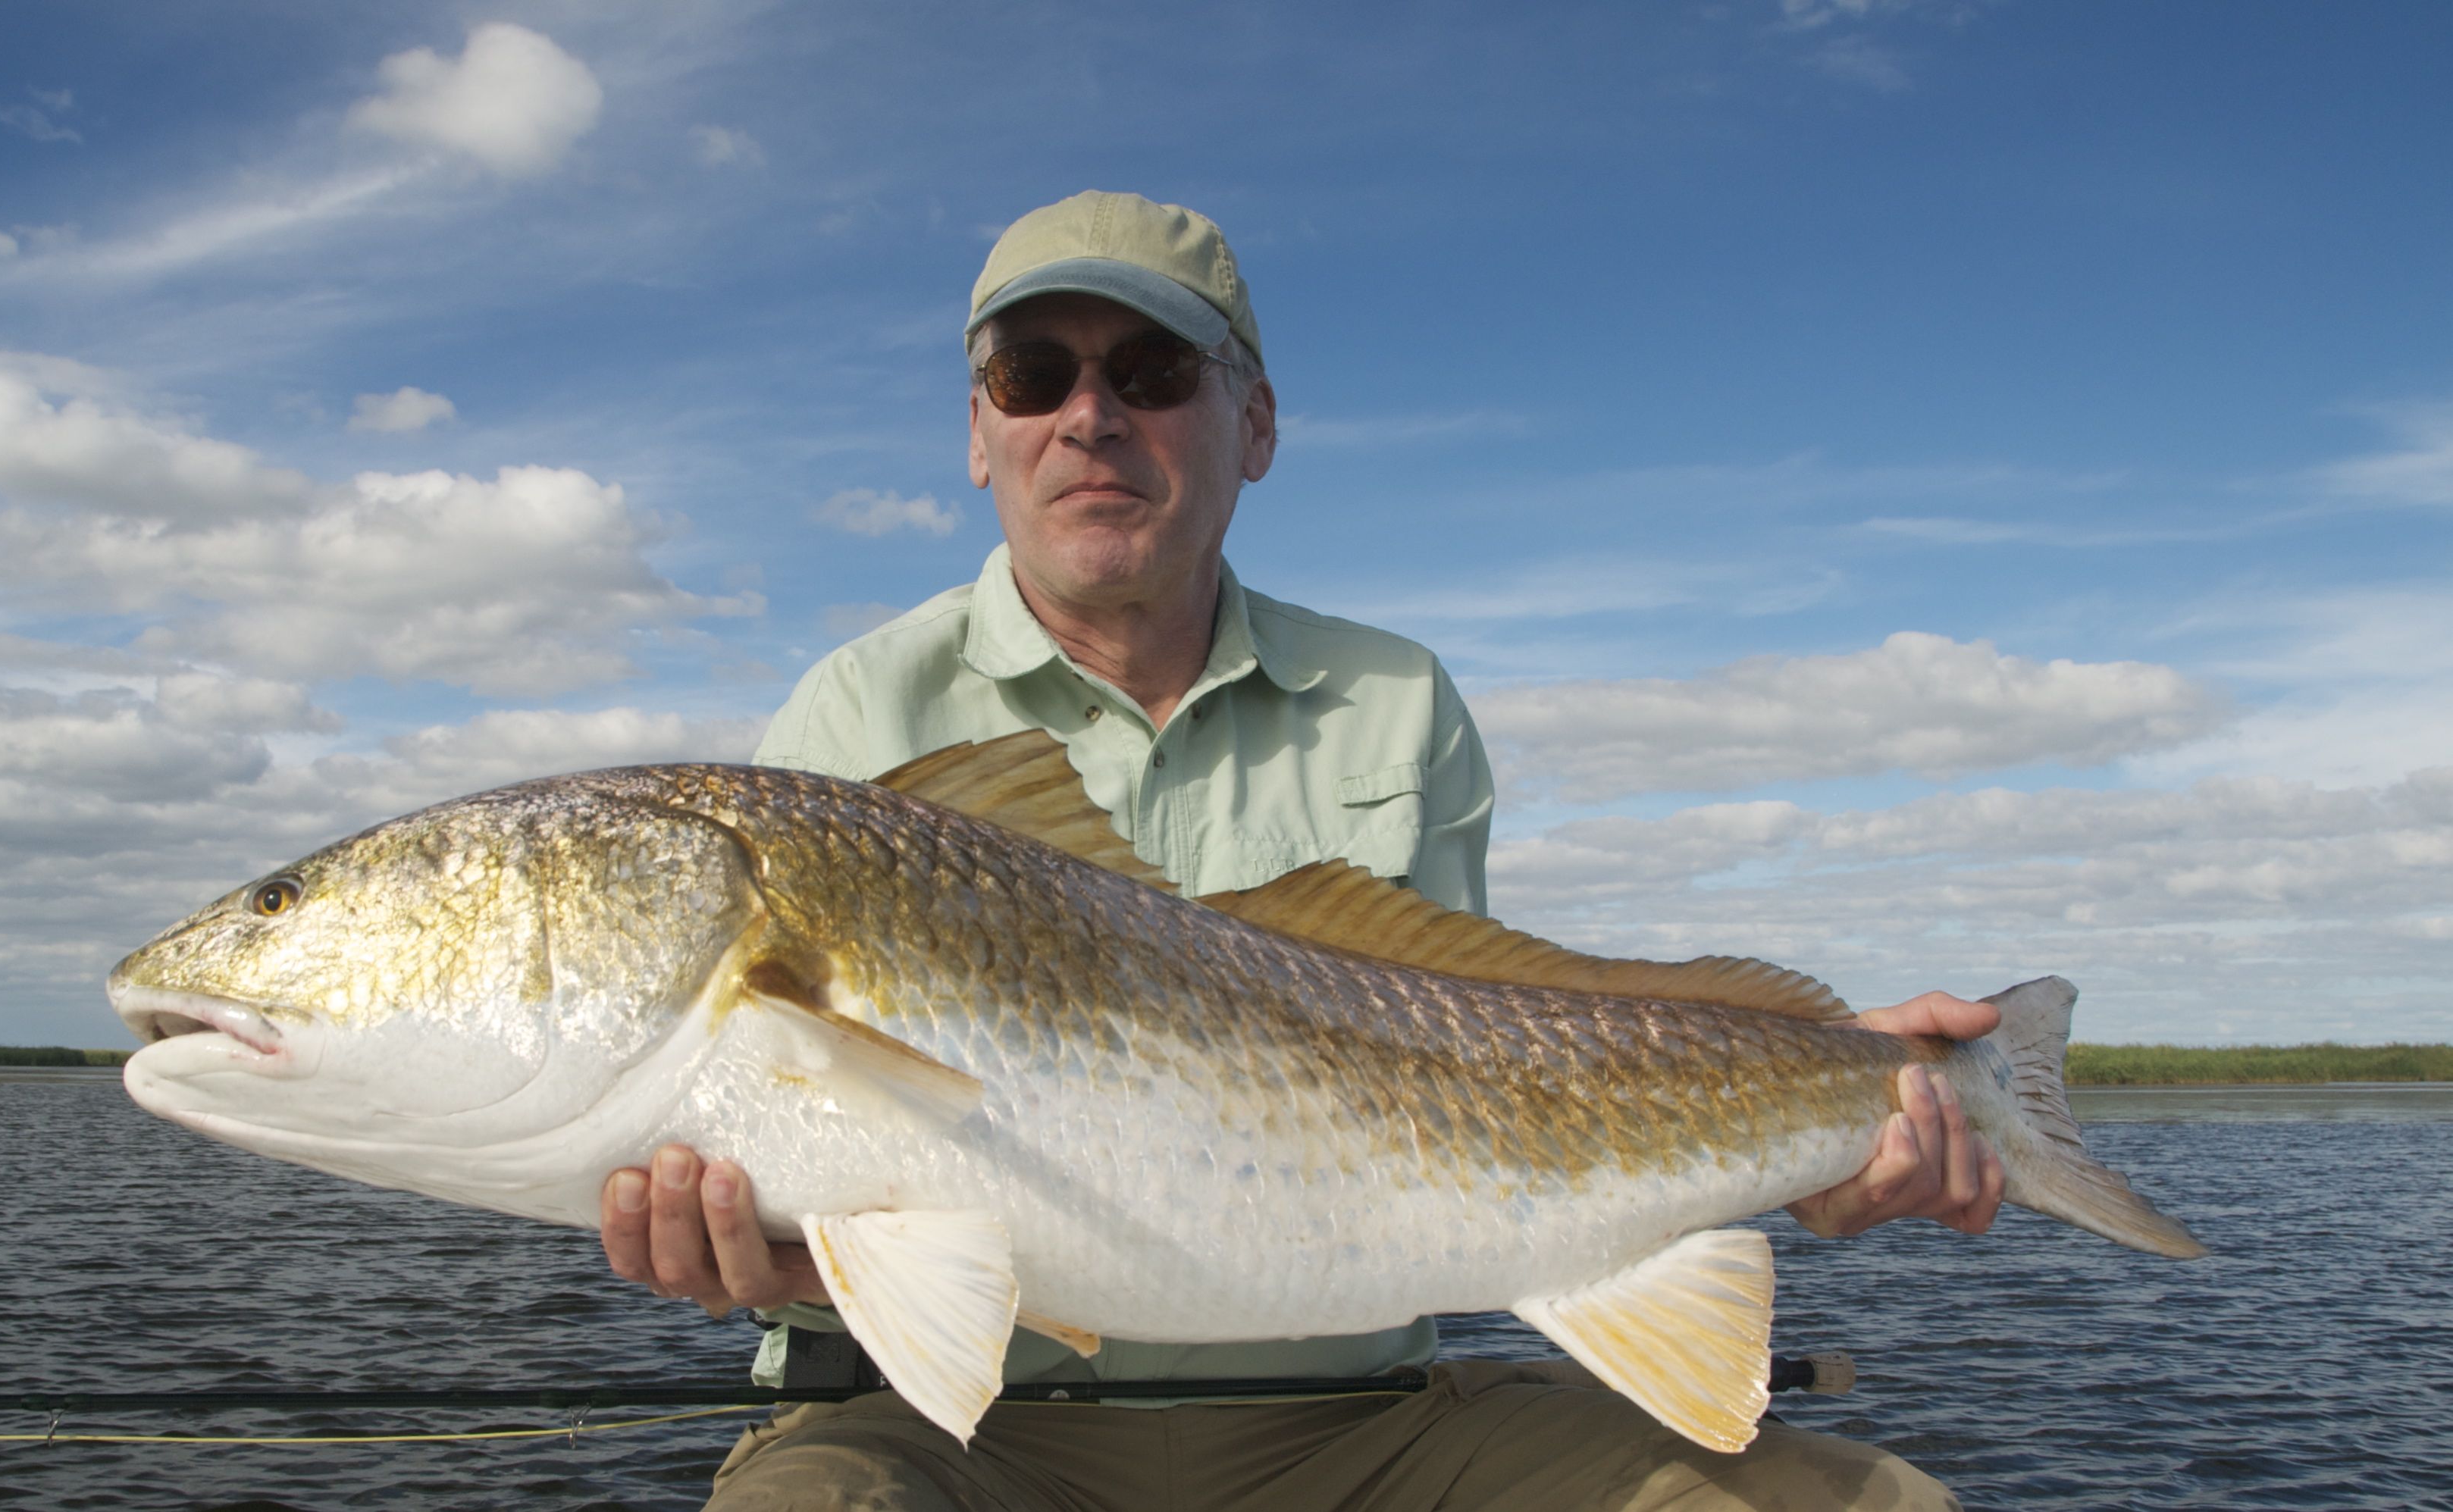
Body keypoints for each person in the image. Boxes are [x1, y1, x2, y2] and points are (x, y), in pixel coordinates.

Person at [601, 191, 2006, 1510]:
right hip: (942, 1424)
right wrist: (765, 1262)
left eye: (1152, 371)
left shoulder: (1392, 697)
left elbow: (1508, 1055)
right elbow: (805, 1164)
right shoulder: (854, 714)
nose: (1088, 417)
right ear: (978, 435)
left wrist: (1840, 1096)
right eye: (1032, 374)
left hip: (1362, 1425)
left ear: (1254, 422)